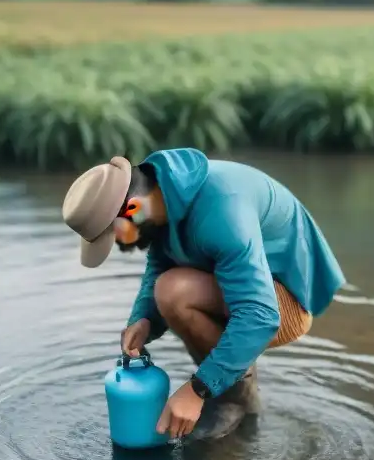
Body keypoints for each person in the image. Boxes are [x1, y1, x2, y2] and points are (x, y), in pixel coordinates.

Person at [62, 148, 346, 441]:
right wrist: (143, 319)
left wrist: (196, 390)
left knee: (175, 293)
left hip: (285, 299)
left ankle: (230, 397)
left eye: (115, 235)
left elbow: (261, 316)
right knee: (166, 289)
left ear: (133, 208)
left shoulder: (223, 210)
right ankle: (232, 381)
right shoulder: (161, 192)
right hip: (242, 285)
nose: (120, 244)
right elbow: (160, 262)